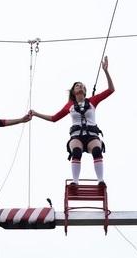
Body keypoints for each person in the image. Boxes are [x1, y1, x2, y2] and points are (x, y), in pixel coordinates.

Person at [30, 56, 114, 188]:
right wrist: (36, 114)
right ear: (74, 91)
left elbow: (110, 90)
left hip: (92, 135)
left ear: (85, 91)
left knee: (97, 150)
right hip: (77, 136)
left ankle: (101, 180)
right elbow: (54, 118)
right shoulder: (69, 105)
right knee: (76, 151)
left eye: (81, 86)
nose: (79, 87)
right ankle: (75, 181)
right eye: (77, 86)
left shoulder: (92, 101)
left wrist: (106, 71)